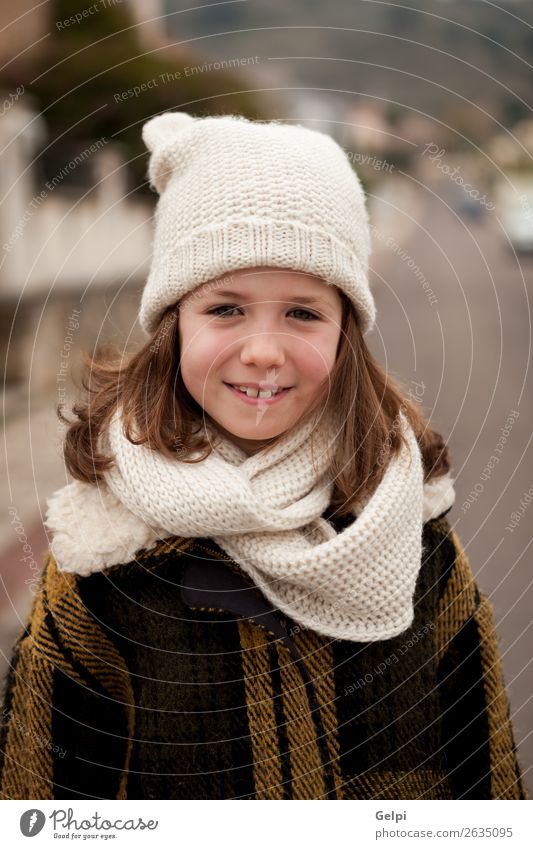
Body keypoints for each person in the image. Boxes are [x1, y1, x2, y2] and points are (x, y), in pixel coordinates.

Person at [0, 112, 528, 801]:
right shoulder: (102, 576)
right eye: (224, 309)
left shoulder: (412, 543)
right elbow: (42, 799)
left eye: (303, 313)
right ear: (173, 324)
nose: (262, 350)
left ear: (345, 333)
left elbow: (482, 780)